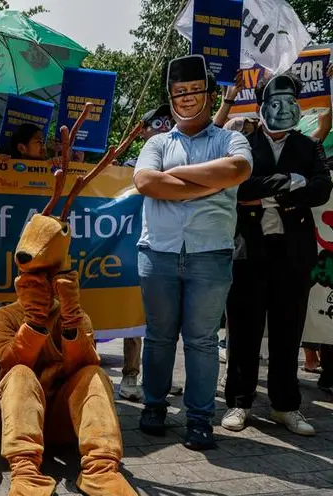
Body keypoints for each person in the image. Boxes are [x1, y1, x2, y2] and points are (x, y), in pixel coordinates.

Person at [0, 178, 142, 496]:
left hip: (62, 420)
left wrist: (70, 320)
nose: (43, 287)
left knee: (94, 373)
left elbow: (82, 366)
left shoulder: (77, 315)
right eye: (35, 281)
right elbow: (9, 366)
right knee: (20, 373)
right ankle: (26, 472)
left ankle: (101, 469)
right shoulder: (3, 318)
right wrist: (34, 322)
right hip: (17, 418)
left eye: (49, 280)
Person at [134, 55, 253, 450]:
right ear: (170, 97)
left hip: (210, 254)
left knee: (201, 341)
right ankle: (154, 405)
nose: (186, 98)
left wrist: (175, 179)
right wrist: (209, 185)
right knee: (159, 337)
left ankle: (200, 419)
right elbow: (146, 182)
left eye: (194, 90)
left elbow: (237, 170)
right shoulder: (156, 143)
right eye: (178, 92)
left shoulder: (230, 140)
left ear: (209, 94)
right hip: (159, 252)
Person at [222, 75, 333, 435]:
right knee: (244, 330)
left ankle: (285, 405)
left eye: (289, 100)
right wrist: (290, 182)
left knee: (288, 330)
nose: (283, 108)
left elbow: (321, 188)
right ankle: (240, 402)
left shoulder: (308, 146)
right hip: (249, 250)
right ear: (261, 105)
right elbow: (237, 187)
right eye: (275, 100)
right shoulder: (242, 143)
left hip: (293, 253)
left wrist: (272, 192)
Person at [120, 105, 183, 401]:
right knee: (135, 316)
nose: (164, 126)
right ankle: (130, 375)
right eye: (156, 122)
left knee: (167, 320)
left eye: (167, 121)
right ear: (142, 131)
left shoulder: (181, 160)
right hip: (134, 251)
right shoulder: (129, 167)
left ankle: (160, 378)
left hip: (169, 247)